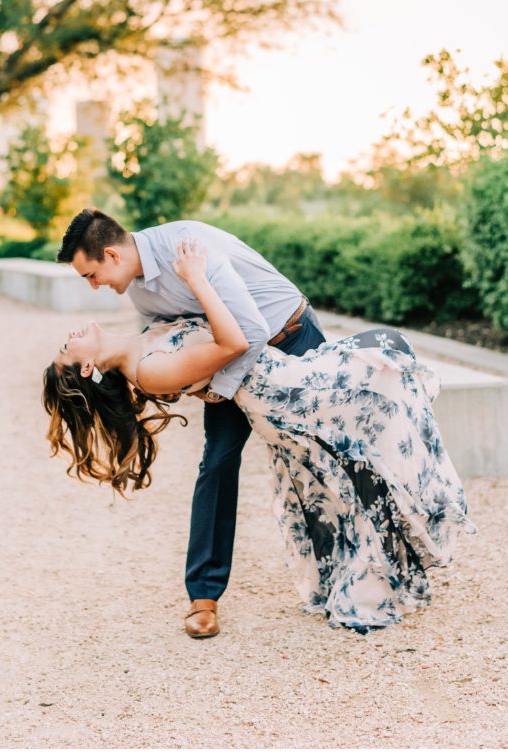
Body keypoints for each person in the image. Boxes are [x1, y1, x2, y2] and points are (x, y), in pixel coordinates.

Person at [44, 237, 475, 635]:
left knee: (346, 460)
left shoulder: (144, 329)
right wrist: (196, 276)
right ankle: (215, 595)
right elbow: (233, 342)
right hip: (283, 391)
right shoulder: (149, 371)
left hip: (286, 364)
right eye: (67, 349)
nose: (69, 337)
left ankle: (378, 567)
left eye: (91, 274)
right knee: (380, 377)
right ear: (86, 370)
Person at [55, 208, 327, 638]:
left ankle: (354, 567)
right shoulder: (139, 294)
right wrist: (175, 384)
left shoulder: (190, 247)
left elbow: (251, 331)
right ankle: (203, 596)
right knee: (217, 462)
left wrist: (217, 390)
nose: (96, 287)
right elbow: (178, 338)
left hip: (289, 340)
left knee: (320, 460)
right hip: (232, 361)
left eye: (91, 275)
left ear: (110, 255)